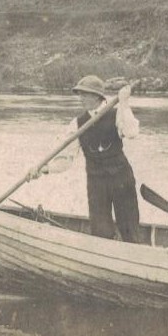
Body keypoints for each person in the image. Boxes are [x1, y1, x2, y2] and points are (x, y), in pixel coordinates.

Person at [28, 75, 142, 243]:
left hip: (121, 179)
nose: (81, 98)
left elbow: (132, 132)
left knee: (129, 229)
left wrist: (124, 103)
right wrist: (43, 169)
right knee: (100, 232)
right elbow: (66, 158)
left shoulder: (117, 113)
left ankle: (134, 259)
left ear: (97, 96)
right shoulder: (77, 123)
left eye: (85, 94)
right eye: (80, 94)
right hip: (96, 182)